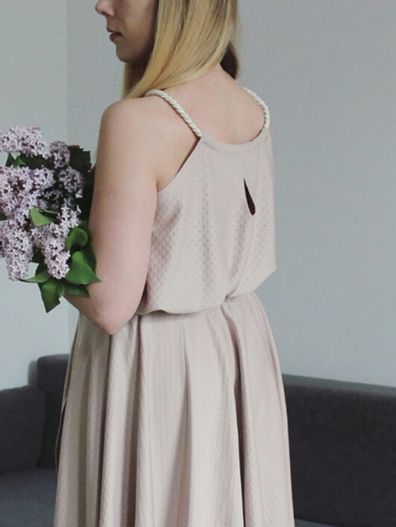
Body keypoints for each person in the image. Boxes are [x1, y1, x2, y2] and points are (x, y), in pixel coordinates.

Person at [53, 0, 295, 525]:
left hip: (158, 367)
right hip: (238, 348)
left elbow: (110, 303)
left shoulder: (136, 122)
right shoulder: (251, 108)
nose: (102, 5)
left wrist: (29, 234)